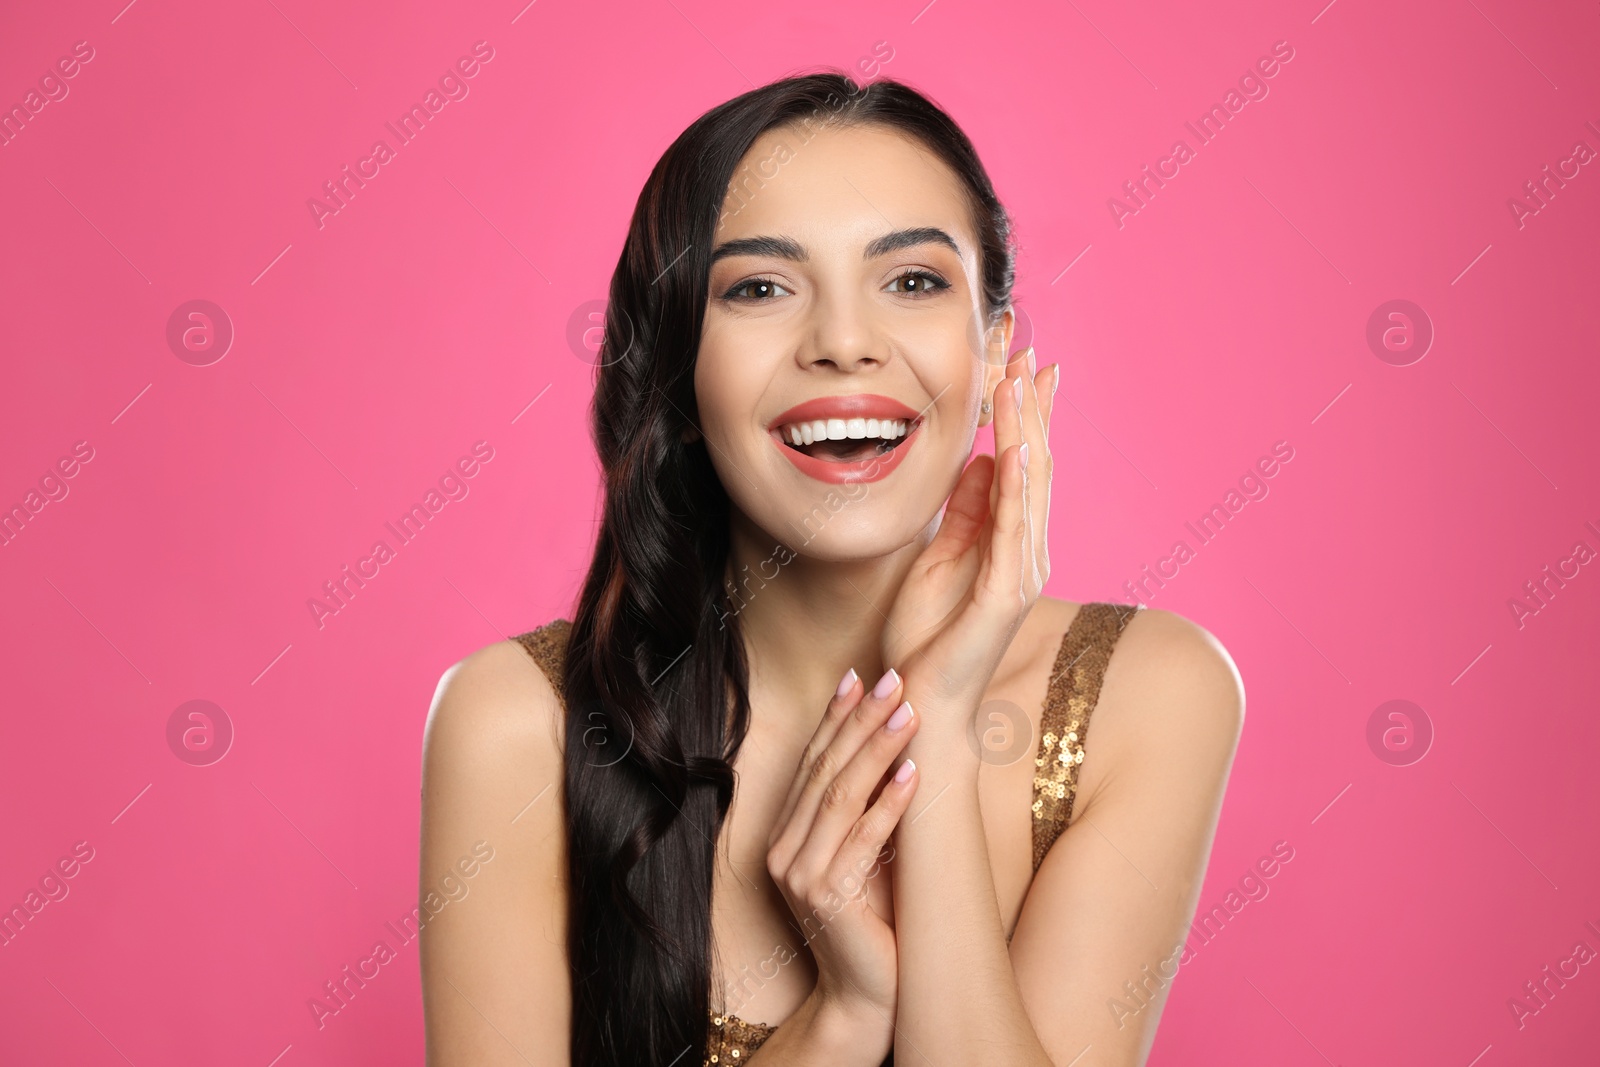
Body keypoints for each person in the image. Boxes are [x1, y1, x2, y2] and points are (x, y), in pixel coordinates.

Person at [419, 70, 1243, 1067]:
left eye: (912, 281)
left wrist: (934, 733)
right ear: (678, 375)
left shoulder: (1145, 693)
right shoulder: (521, 727)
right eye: (760, 287)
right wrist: (846, 1011)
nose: (844, 343)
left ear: (993, 356)